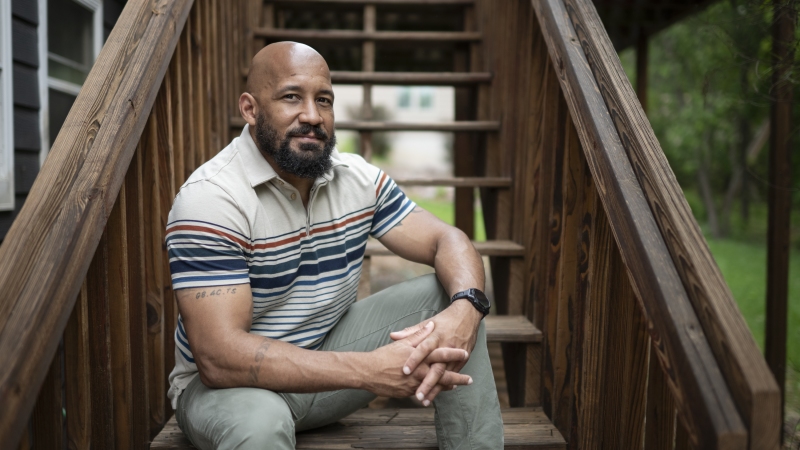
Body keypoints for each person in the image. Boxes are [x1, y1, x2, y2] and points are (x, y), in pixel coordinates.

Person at [165, 41, 503, 449]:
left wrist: (467, 310)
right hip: (231, 393)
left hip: (326, 371)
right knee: (259, 424)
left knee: (448, 294)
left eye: (323, 100)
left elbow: (447, 239)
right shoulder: (211, 198)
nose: (312, 116)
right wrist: (368, 371)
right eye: (292, 97)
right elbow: (218, 358)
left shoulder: (356, 178)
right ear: (250, 110)